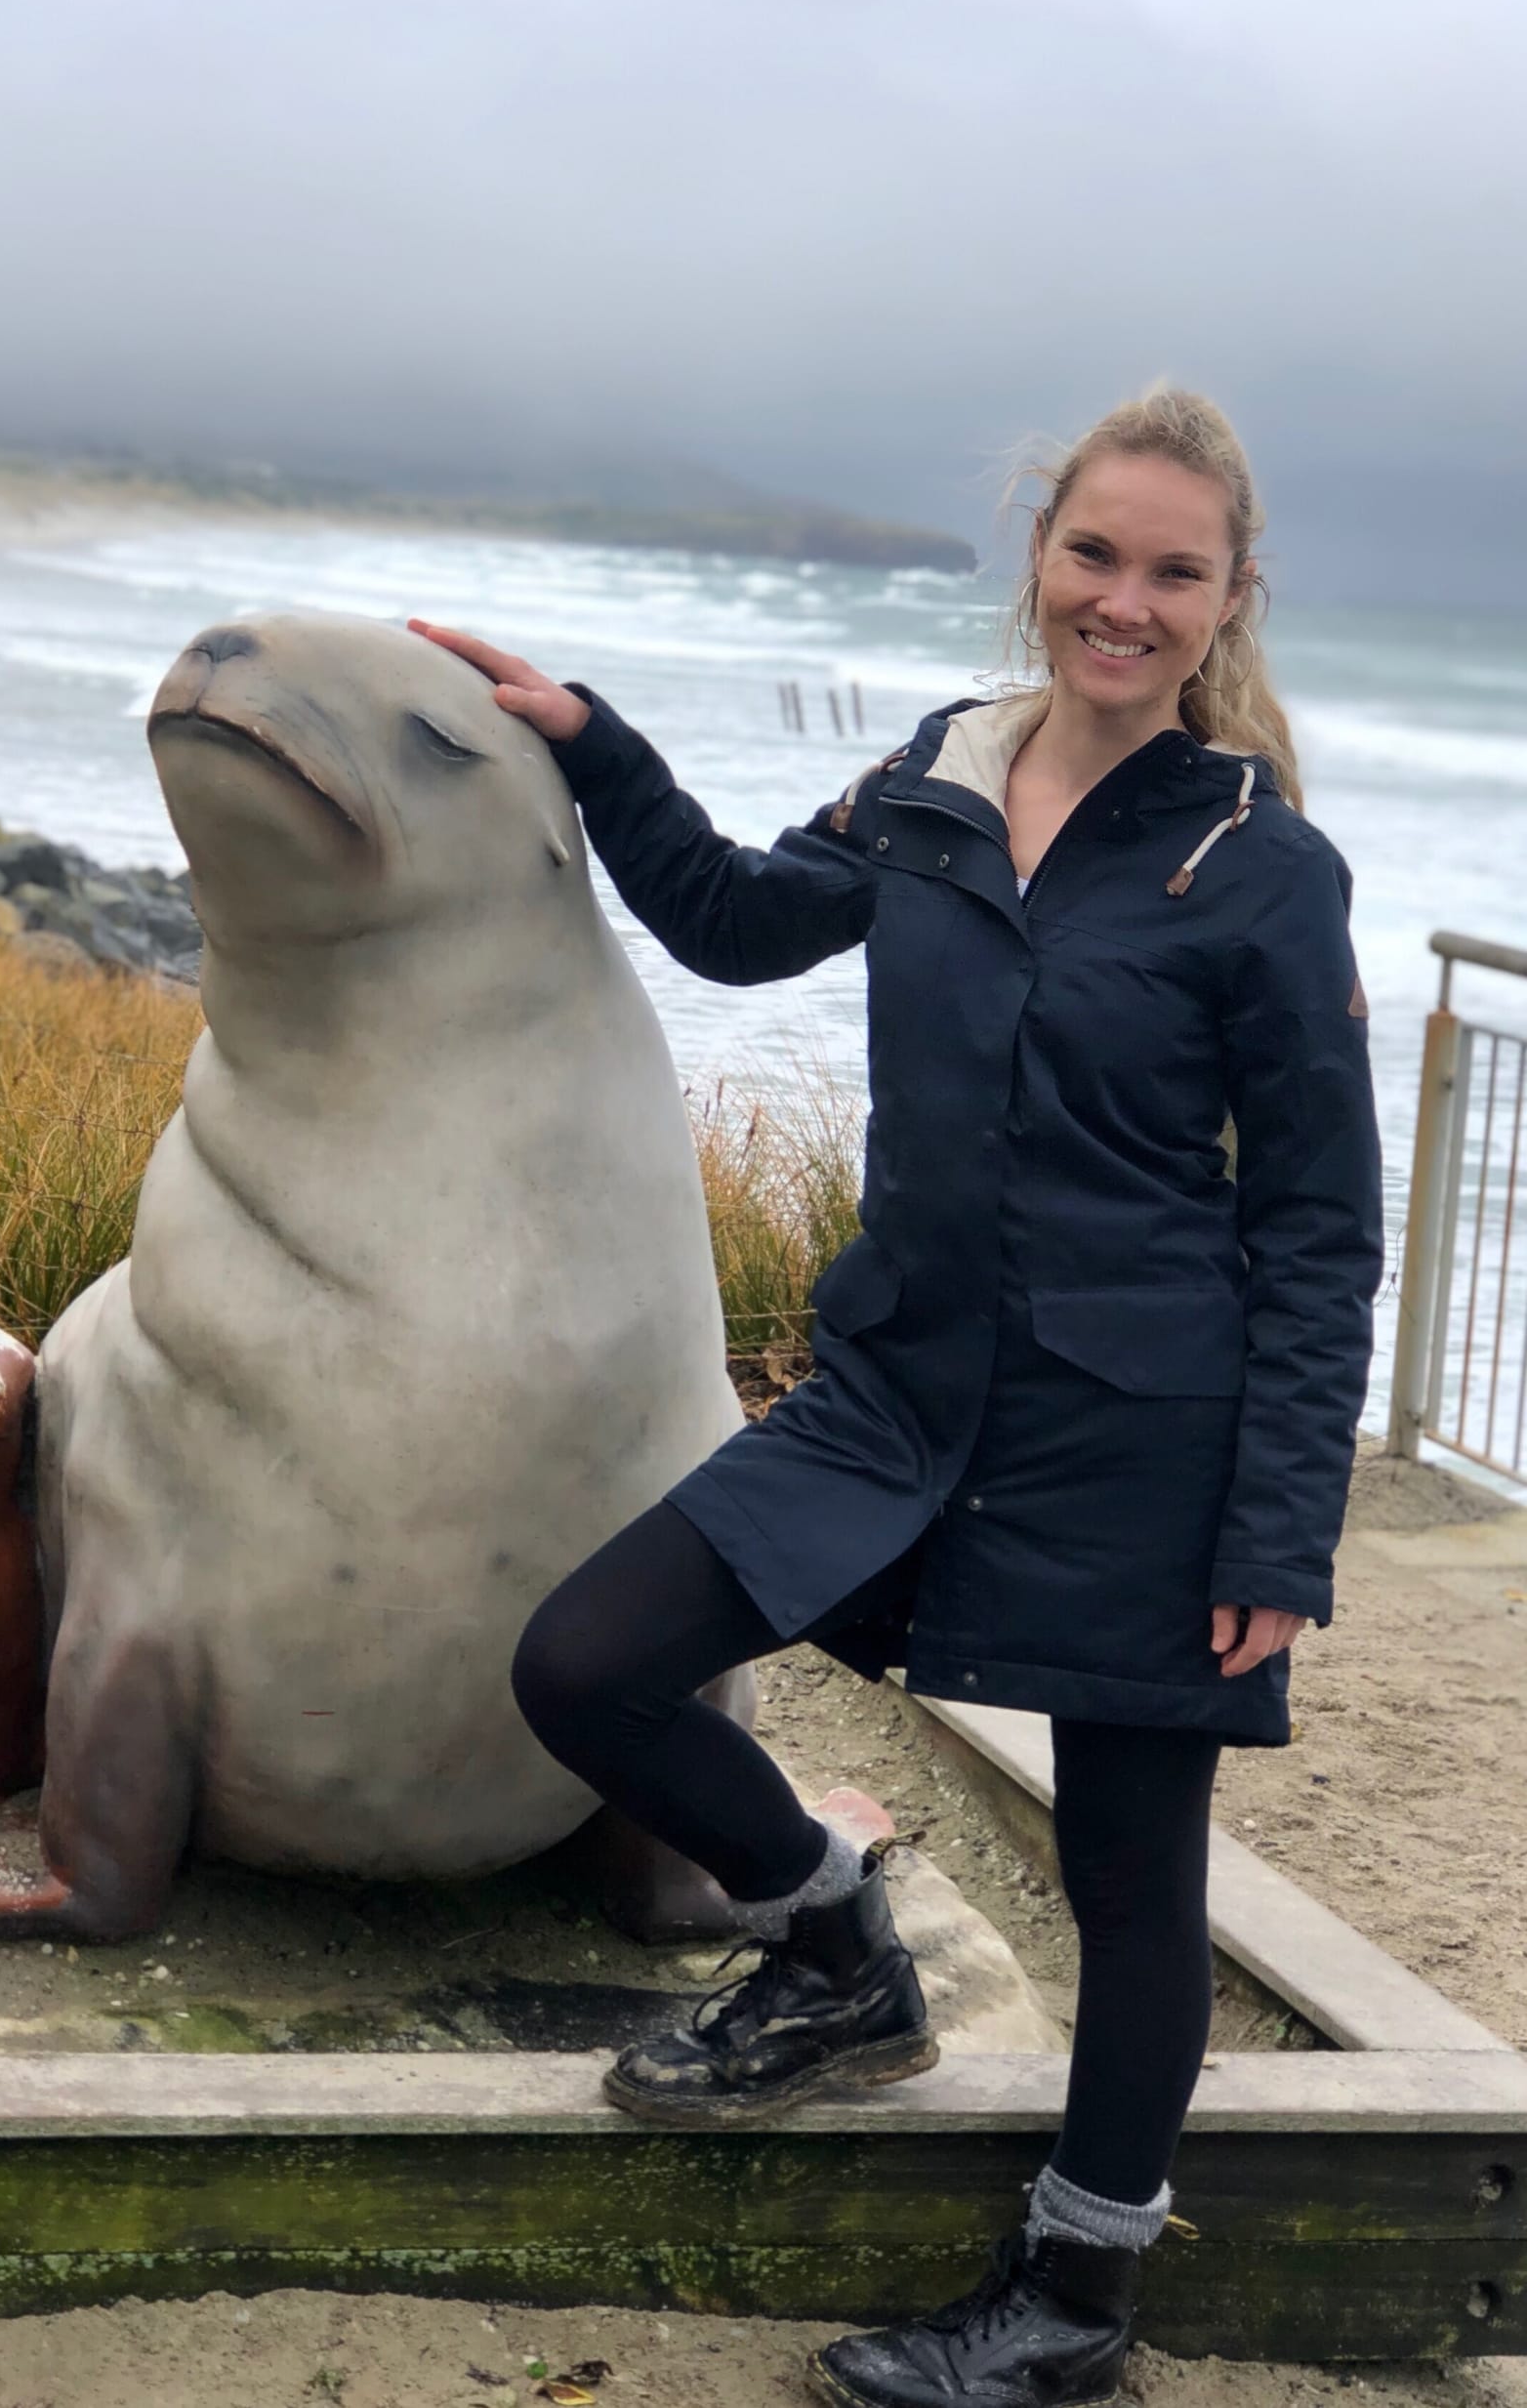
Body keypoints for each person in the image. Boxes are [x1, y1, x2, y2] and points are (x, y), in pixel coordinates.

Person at [411, 383, 1383, 2408]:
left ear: (1226, 601)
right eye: (1092, 553)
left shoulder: (1254, 866)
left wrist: (1275, 1526)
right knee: (585, 1660)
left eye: (1169, 571)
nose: (1120, 600)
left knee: (1137, 1889)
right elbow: (738, 923)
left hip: (1143, 1434)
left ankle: (1072, 2301)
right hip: (897, 1389)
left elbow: (1310, 1226)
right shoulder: (933, 786)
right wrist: (589, 743)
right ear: (1042, 555)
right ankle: (835, 1942)